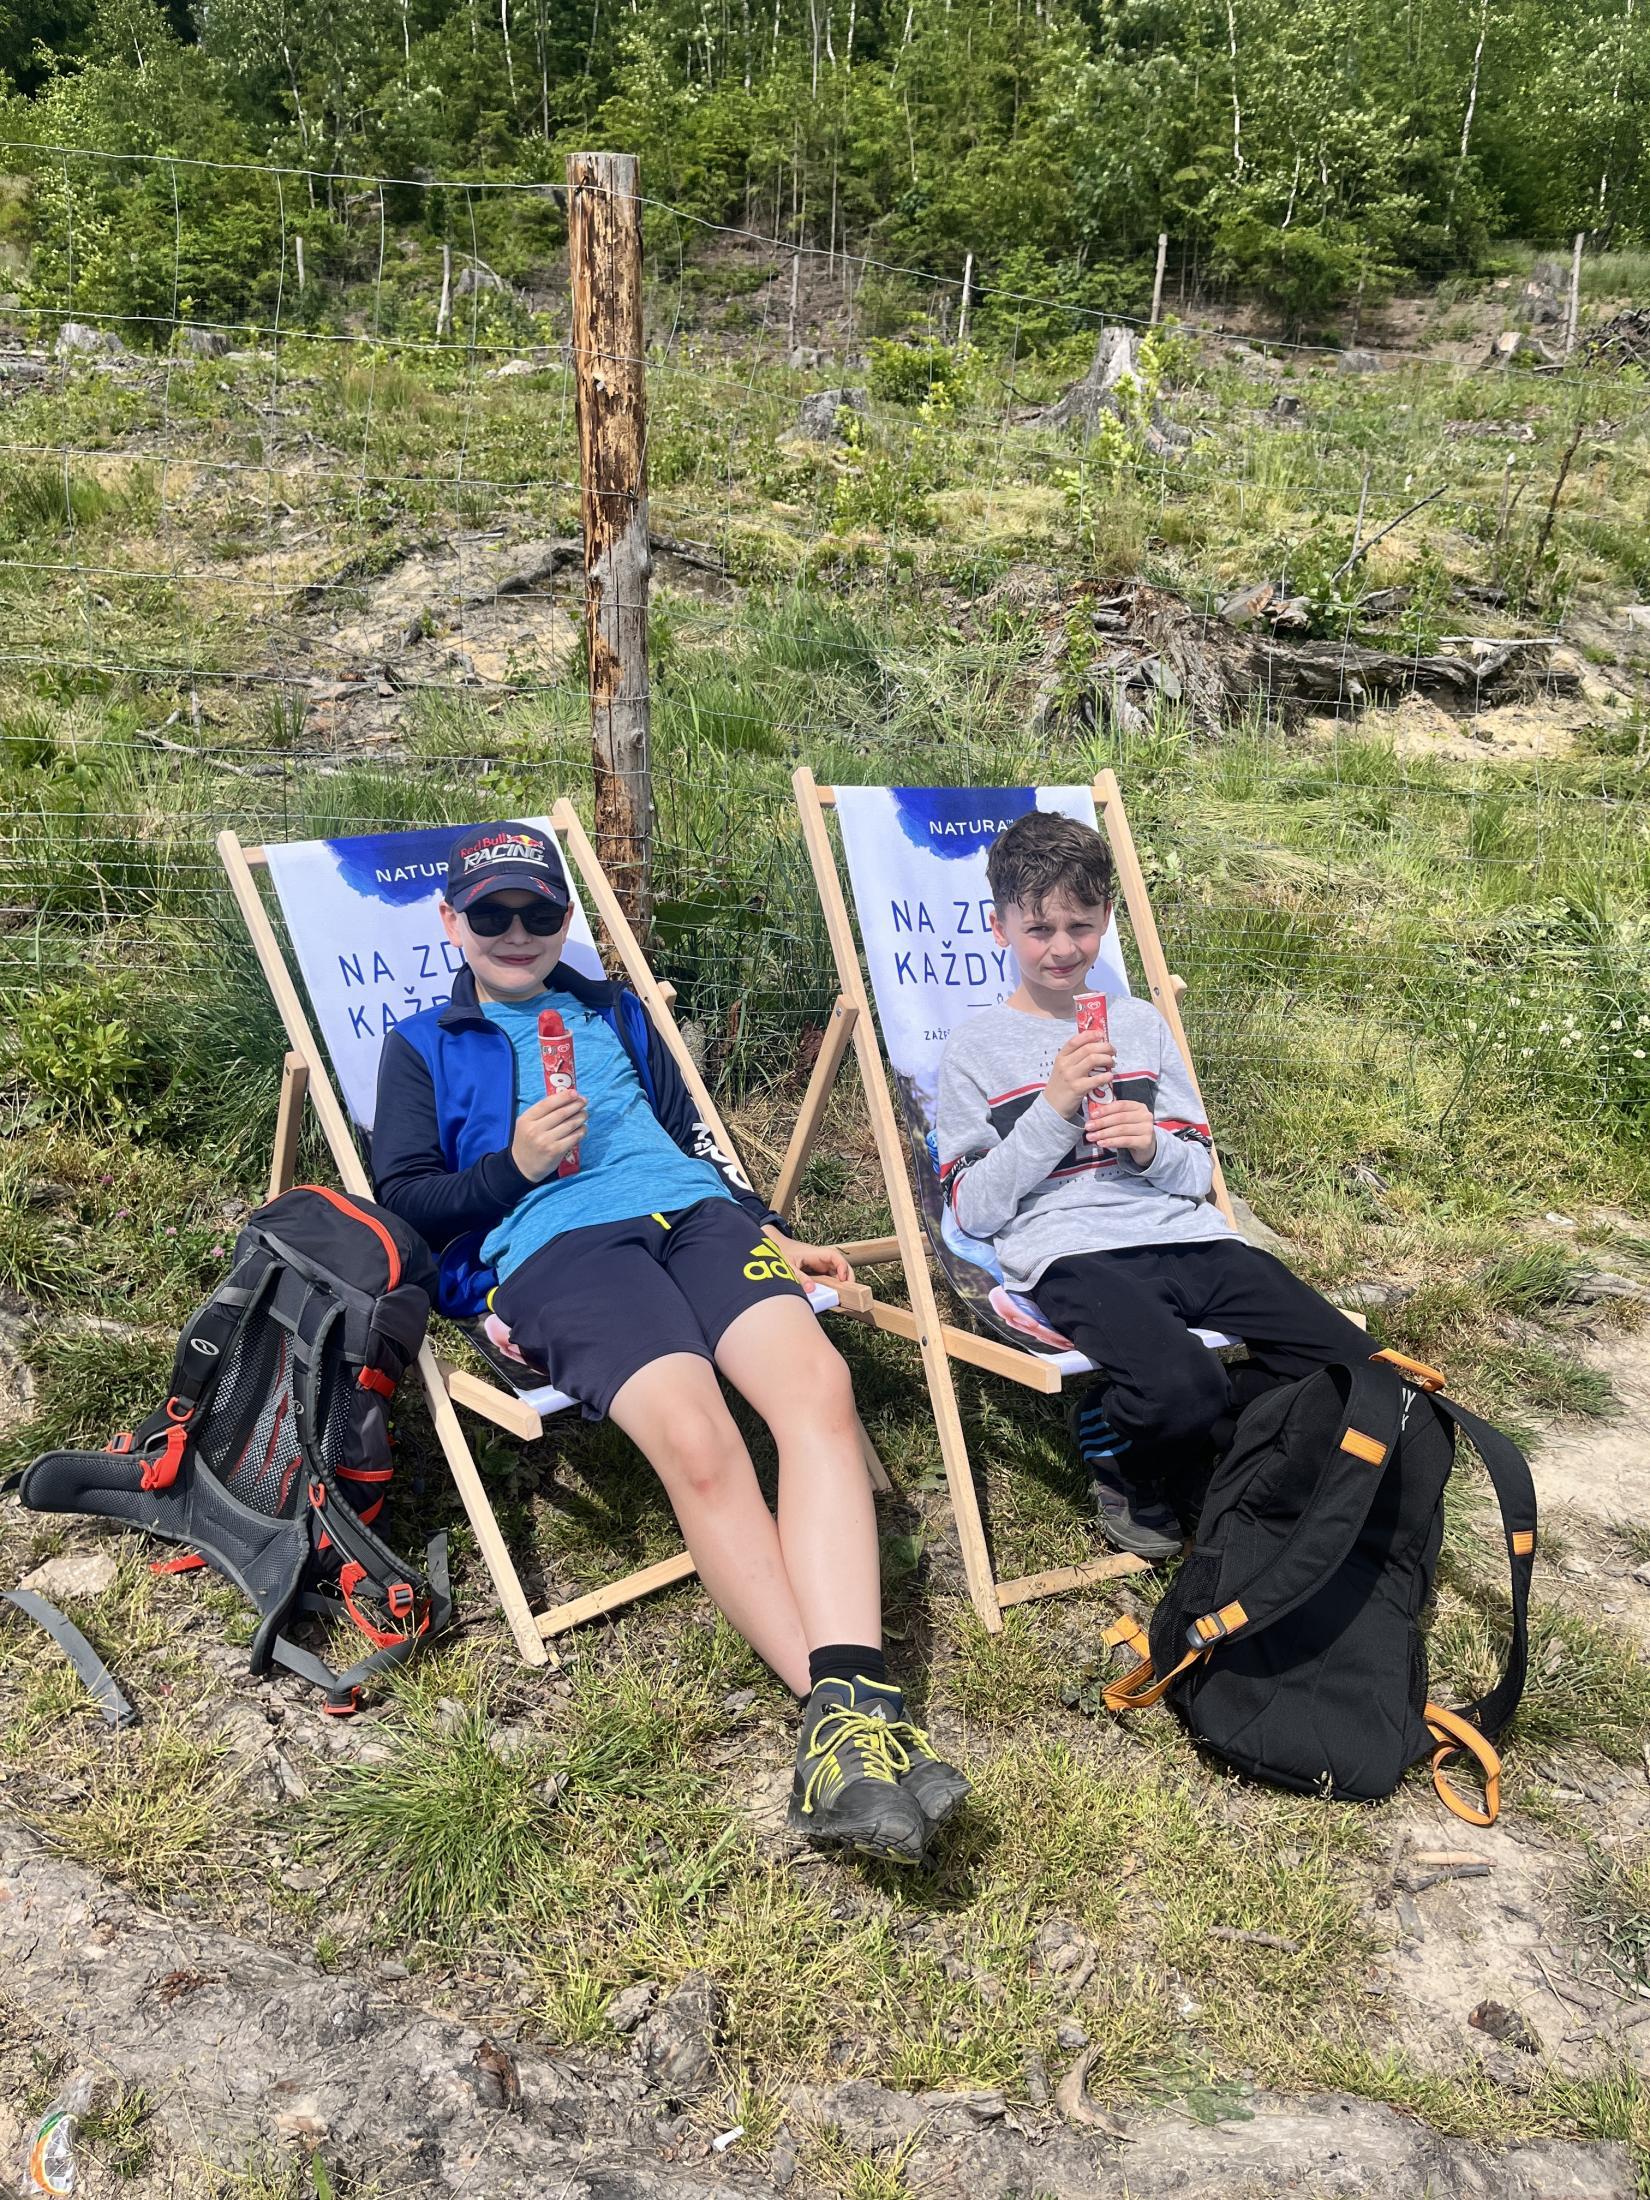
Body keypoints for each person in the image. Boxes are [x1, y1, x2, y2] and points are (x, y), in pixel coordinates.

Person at [373, 822, 968, 1864]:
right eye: (490, 912)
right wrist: (514, 1167)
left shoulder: (615, 1010)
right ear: (450, 921)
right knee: (698, 1437)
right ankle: (848, 1722)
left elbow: (694, 1137)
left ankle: (847, 1716)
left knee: (818, 1389)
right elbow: (406, 1203)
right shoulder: (423, 1044)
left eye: (537, 911)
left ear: (567, 919)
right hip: (556, 1247)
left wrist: (769, 1226)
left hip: (698, 1218)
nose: (515, 931)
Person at [936, 809, 1371, 1561]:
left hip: (1182, 1233)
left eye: (1080, 926)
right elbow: (972, 1211)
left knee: (1354, 1369)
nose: (1062, 948)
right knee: (1181, 1387)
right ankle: (1127, 1449)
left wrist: (1150, 1146)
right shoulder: (975, 1049)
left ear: (1106, 918)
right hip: (1071, 1251)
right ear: (999, 928)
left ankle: (1203, 1434)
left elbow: (1197, 1172)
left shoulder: (1140, 1024)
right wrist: (1053, 1109)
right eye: (1039, 930)